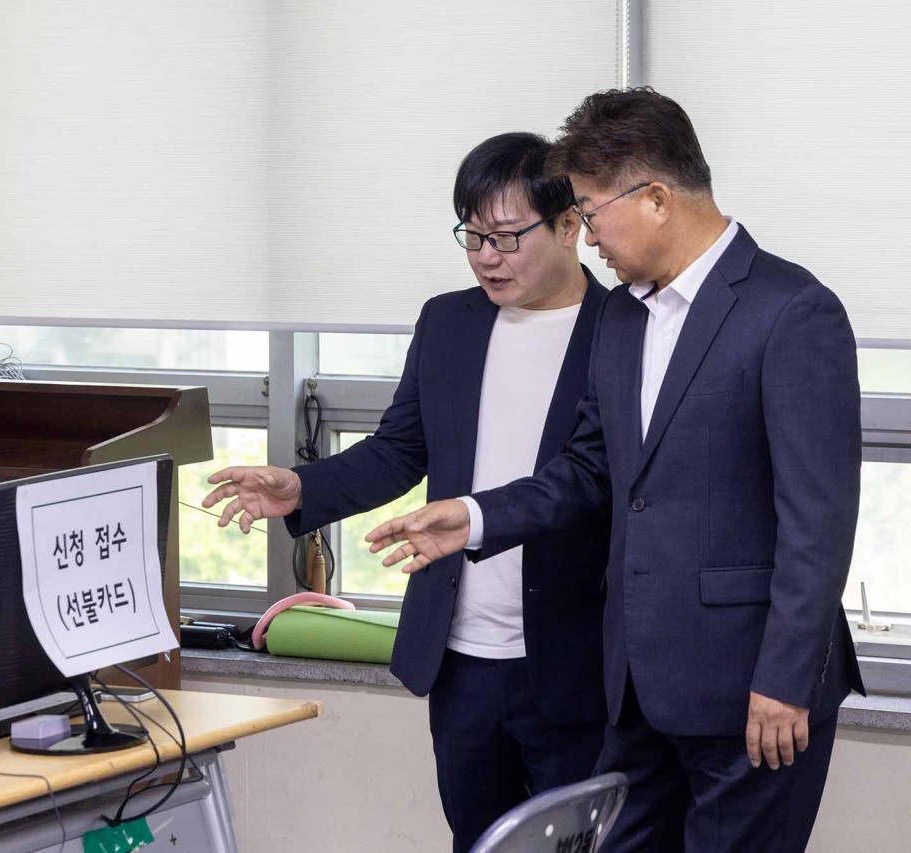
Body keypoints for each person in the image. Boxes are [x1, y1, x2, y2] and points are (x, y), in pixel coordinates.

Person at [367, 89, 863, 853]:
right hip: (635, 694)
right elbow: (590, 466)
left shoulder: (791, 310)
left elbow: (818, 521)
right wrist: (476, 516)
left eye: (592, 211)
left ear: (657, 199)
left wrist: (785, 679)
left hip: (752, 691)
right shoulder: (625, 315)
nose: (588, 235)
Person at [204, 132, 611, 852]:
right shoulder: (448, 322)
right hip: (460, 655)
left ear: (570, 225)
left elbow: (596, 477)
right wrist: (300, 487)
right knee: (475, 841)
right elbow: (401, 449)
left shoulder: (623, 330)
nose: (486, 256)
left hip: (574, 658)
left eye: (506, 237)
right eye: (472, 236)